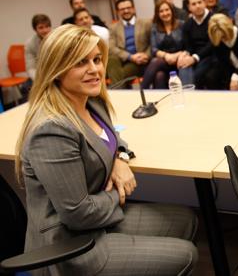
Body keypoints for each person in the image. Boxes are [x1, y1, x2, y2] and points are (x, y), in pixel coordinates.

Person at [14, 24, 198, 275]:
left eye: (97, 59)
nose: (95, 70)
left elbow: (114, 137)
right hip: (72, 243)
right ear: (56, 69)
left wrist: (120, 158)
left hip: (97, 214)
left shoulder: (91, 101)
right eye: (81, 62)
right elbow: (78, 215)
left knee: (186, 219)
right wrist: (118, 194)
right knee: (187, 254)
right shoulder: (51, 130)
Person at [107, 0, 151, 87]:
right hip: (123, 60)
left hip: (140, 61)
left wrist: (146, 55)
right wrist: (130, 57)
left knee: (118, 75)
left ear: (133, 8)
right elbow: (111, 48)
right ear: (118, 12)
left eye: (128, 8)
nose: (126, 11)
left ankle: (117, 96)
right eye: (122, 9)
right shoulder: (113, 27)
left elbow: (153, 42)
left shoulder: (146, 23)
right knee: (111, 59)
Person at [179, 0, 219, 89]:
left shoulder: (214, 19)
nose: (197, 6)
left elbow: (213, 43)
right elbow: (188, 45)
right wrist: (185, 54)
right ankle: (188, 97)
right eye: (194, 4)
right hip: (195, 56)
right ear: (189, 7)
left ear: (204, 3)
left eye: (199, 2)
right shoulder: (187, 24)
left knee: (198, 75)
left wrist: (195, 58)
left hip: (212, 55)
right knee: (183, 67)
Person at [141, 0, 185, 89]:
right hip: (164, 62)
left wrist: (175, 55)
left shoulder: (181, 24)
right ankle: (150, 97)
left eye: (167, 10)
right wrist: (166, 56)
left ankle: (141, 92)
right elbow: (154, 49)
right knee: (159, 75)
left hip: (180, 60)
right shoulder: (155, 27)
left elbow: (187, 46)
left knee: (156, 64)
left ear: (171, 10)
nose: (165, 13)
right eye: (161, 11)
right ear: (158, 14)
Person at [25, 14, 52, 81]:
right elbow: (31, 68)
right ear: (35, 29)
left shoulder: (59, 37)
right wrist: (40, 81)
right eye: (41, 27)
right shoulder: (30, 44)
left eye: (47, 26)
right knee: (25, 87)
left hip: (59, 71)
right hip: (42, 75)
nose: (45, 30)